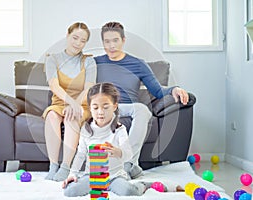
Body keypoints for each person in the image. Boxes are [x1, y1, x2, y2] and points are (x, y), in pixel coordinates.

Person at [95, 22, 189, 179]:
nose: (111, 46)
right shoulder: (95, 63)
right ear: (103, 42)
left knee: (142, 109)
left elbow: (158, 91)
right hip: (103, 107)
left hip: (127, 107)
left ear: (123, 40)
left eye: (115, 40)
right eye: (107, 41)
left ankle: (128, 163)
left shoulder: (138, 64)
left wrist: (174, 89)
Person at [62, 82, 183, 197]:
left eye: (105, 107)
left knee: (128, 191)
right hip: (92, 176)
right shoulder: (86, 130)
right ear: (90, 108)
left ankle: (144, 185)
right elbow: (81, 154)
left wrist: (118, 152)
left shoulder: (120, 129)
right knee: (69, 192)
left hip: (115, 177)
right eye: (95, 107)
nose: (100, 112)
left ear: (114, 106)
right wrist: (73, 173)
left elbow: (128, 154)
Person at [43, 22, 97, 181]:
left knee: (72, 116)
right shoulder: (53, 59)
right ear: (67, 35)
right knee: (52, 115)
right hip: (59, 103)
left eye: (83, 40)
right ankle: (53, 166)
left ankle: (65, 167)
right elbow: (54, 85)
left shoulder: (89, 61)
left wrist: (75, 104)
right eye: (75, 38)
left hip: (82, 104)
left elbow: (88, 88)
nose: (78, 43)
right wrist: (69, 102)